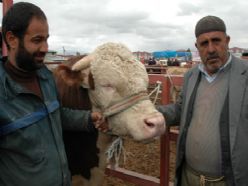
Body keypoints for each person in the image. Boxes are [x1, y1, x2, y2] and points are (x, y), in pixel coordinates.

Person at [0, 2, 107, 186]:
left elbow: (57, 114)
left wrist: (88, 119)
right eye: (37, 40)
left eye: (46, 39)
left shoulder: (46, 79)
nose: (45, 48)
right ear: (12, 39)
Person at [158, 15, 248, 186]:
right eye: (204, 43)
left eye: (216, 40)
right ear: (197, 47)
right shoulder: (191, 76)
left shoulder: (245, 74)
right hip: (188, 177)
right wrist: (150, 112)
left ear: (227, 41)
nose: (211, 49)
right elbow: (180, 109)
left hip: (229, 180)